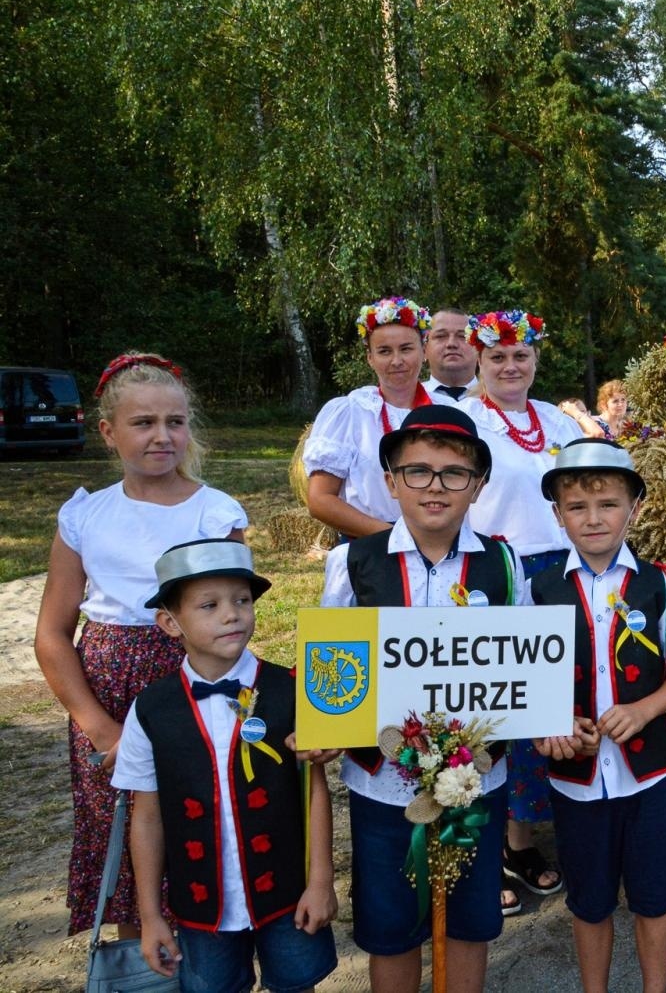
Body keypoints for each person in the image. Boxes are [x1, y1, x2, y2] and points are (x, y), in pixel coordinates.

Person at [34, 353, 249, 939]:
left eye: (175, 422)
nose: (162, 436)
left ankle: (212, 960)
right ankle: (142, 958)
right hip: (108, 692)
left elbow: (236, 620)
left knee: (203, 828)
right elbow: (52, 634)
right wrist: (101, 728)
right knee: (130, 837)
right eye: (143, 422)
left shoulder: (215, 511)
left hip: (196, 681)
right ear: (108, 431)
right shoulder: (85, 515)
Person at [321, 404, 529, 993]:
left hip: (476, 781)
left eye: (453, 473)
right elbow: (333, 670)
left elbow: (522, 662)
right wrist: (328, 725)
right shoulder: (352, 563)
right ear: (391, 481)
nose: (435, 487)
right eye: (417, 471)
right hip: (383, 783)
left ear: (477, 485)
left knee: (468, 920)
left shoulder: (503, 561)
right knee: (391, 924)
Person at [115, 539, 336, 992]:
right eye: (209, 605)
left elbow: (315, 790)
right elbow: (147, 815)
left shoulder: (291, 691)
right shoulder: (151, 709)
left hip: (287, 895)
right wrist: (150, 915)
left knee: (297, 984)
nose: (232, 614)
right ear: (169, 623)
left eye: (242, 600)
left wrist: (320, 882)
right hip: (200, 906)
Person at [531, 438, 666, 993]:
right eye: (577, 507)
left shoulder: (659, 584)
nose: (593, 518)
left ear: (634, 507)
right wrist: (549, 725)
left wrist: (645, 708)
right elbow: (525, 682)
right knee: (589, 899)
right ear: (557, 514)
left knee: (655, 895)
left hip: (649, 774)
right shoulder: (537, 590)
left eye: (608, 504)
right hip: (577, 781)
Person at [458, 309, 581, 911]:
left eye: (521, 356)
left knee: (551, 708)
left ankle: (527, 839)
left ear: (535, 362)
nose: (510, 366)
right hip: (493, 574)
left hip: (558, 573)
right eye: (498, 356)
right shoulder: (462, 421)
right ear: (479, 361)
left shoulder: (557, 421)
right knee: (495, 712)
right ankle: (485, 847)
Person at [304, 296, 433, 537]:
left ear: (424, 350)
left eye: (406, 349)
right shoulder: (351, 413)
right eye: (384, 351)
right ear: (370, 357)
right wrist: (393, 537)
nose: (397, 361)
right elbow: (320, 499)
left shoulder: (447, 410)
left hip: (438, 545)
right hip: (371, 544)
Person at [423, 307, 478, 403]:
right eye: (440, 336)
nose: (451, 344)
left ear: (478, 348)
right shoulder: (407, 399)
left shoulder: (502, 398)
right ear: (424, 349)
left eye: (463, 336)